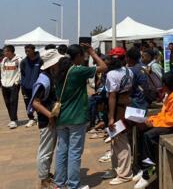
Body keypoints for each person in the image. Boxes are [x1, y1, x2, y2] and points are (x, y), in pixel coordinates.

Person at [53, 44, 107, 189]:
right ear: (77, 56)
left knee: (62, 151)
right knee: (75, 153)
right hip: (76, 118)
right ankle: (73, 185)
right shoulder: (78, 71)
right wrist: (93, 53)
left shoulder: (60, 71)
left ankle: (59, 183)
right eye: (83, 55)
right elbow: (103, 67)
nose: (84, 58)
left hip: (62, 118)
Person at [134, 72, 173, 189]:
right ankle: (145, 167)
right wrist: (150, 120)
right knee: (141, 130)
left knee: (148, 136)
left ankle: (150, 173)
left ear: (165, 85)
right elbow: (164, 115)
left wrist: (153, 123)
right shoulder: (171, 95)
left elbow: (172, 120)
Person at [30, 49, 63, 188]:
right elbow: (35, 103)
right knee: (45, 151)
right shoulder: (44, 80)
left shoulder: (49, 77)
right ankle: (44, 179)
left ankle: (46, 174)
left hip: (50, 119)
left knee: (49, 149)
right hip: (46, 120)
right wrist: (50, 115)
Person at [104, 47, 134, 185]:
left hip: (117, 109)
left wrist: (111, 117)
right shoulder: (129, 71)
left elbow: (112, 96)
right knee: (115, 139)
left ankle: (125, 174)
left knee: (120, 141)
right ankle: (117, 169)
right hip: (126, 106)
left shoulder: (111, 74)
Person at [21, 44, 43, 128]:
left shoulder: (40, 60)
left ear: (33, 50)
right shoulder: (23, 61)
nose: (27, 52)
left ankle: (39, 118)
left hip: (37, 86)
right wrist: (23, 84)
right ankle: (31, 119)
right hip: (26, 87)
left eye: (28, 51)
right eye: (25, 51)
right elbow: (22, 73)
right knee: (28, 103)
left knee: (38, 102)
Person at [1, 45, 22, 129]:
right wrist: (2, 81)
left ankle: (13, 120)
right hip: (4, 84)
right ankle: (13, 119)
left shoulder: (18, 60)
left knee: (13, 101)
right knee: (7, 102)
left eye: (5, 51)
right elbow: (2, 71)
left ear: (10, 51)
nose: (4, 53)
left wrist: (17, 82)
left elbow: (20, 72)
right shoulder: (4, 60)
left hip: (14, 84)